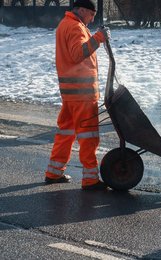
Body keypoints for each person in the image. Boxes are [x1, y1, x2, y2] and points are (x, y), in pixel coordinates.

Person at [44, 0, 110, 190]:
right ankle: (90, 180)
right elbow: (77, 54)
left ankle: (53, 172)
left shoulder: (66, 24)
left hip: (71, 93)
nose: (91, 19)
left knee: (66, 133)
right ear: (82, 10)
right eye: (91, 15)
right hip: (82, 94)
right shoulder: (75, 27)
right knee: (88, 136)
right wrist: (98, 38)